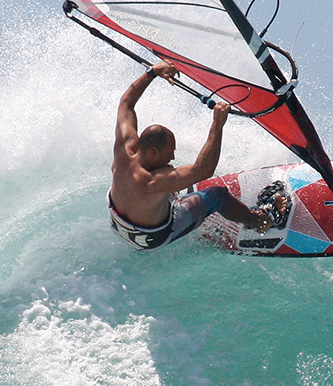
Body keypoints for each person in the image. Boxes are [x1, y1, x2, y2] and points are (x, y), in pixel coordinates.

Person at [107, 62, 288, 251]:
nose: (173, 157)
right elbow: (204, 170)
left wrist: (152, 72)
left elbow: (126, 103)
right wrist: (217, 124)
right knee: (217, 196)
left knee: (171, 174)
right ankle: (260, 221)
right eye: (170, 152)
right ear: (153, 151)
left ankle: (168, 201)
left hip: (118, 222)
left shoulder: (124, 149)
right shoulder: (152, 181)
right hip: (152, 237)